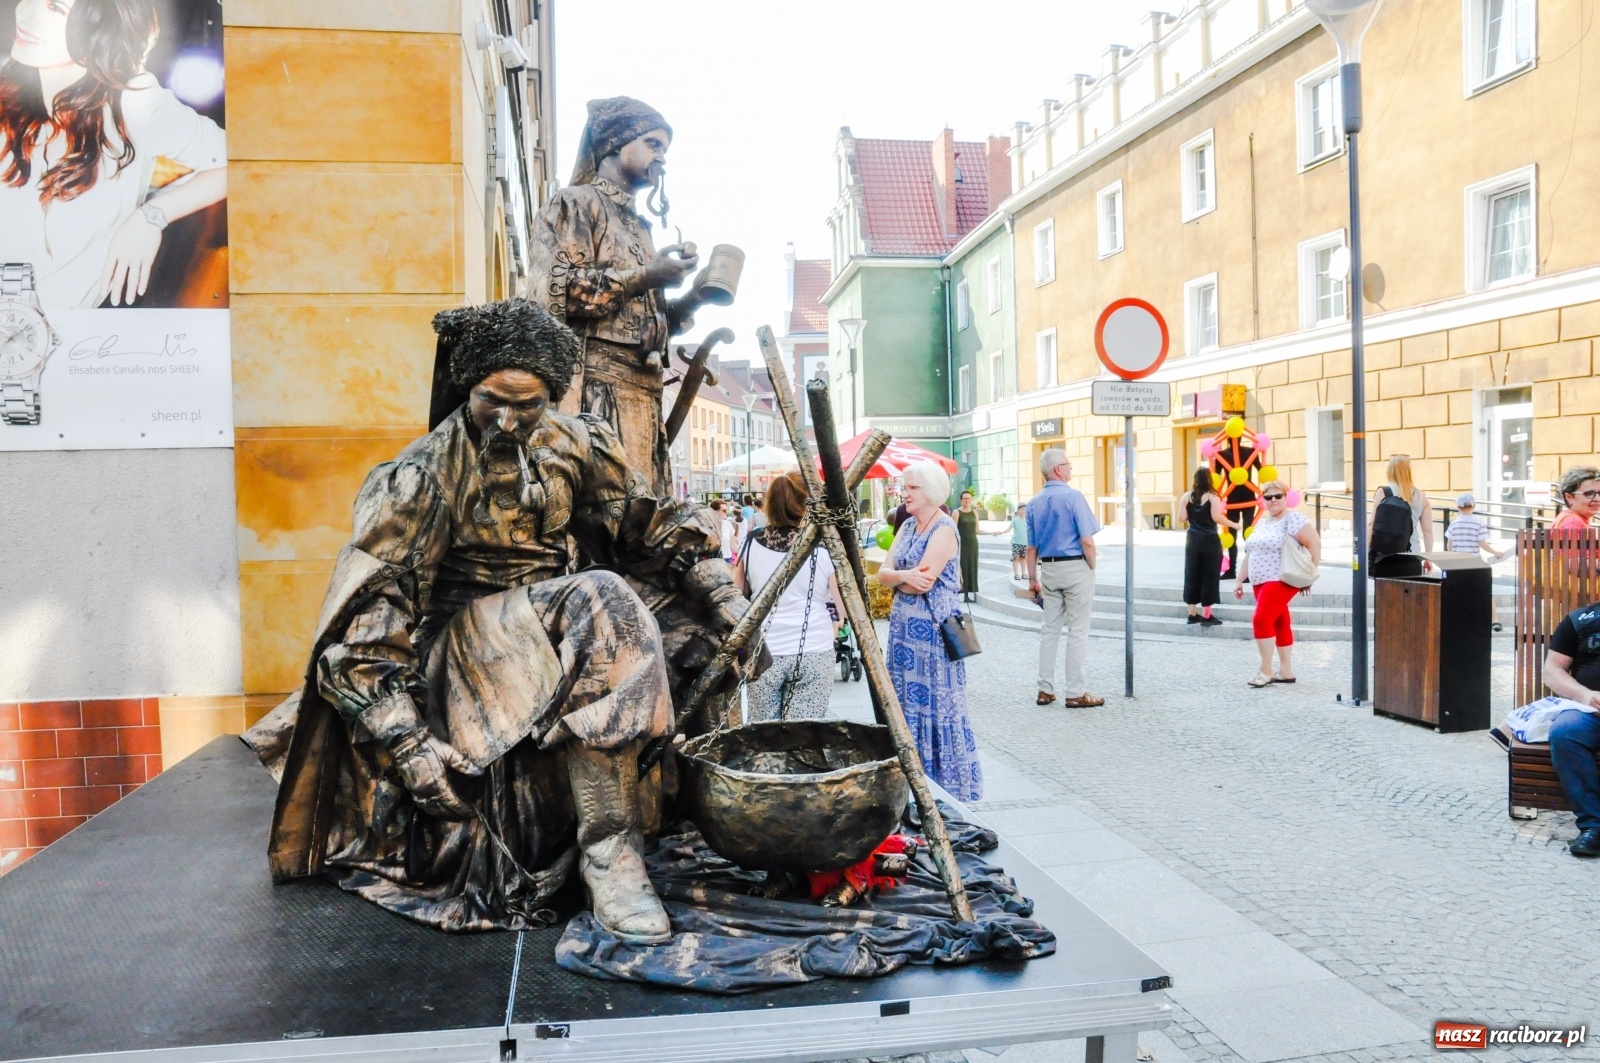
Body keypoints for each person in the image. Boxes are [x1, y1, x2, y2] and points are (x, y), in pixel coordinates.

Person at [240, 298, 749, 942]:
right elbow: (370, 612)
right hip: (464, 641)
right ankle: (608, 851)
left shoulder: (579, 442)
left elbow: (644, 525)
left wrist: (723, 595)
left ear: (553, 399)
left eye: (528, 404)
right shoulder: (422, 475)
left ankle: (679, 813)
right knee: (603, 599)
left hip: (552, 614)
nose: (508, 420)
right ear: (467, 386)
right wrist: (407, 742)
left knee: (695, 634)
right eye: (491, 400)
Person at [529, 96, 718, 494]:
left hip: (644, 392)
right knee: (605, 508)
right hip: (595, 391)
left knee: (643, 516)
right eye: (653, 144)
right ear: (616, 144)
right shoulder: (575, 203)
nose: (662, 157)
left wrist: (695, 298)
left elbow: (644, 319)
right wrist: (647, 275)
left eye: (665, 148)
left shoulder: (641, 225)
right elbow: (557, 293)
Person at [1, 0, 228, 309]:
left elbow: (236, 164)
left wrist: (151, 217)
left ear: (99, 25)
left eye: (55, 8)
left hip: (67, 338)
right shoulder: (7, 90)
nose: (26, 14)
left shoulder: (134, 103)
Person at [876, 460, 982, 801]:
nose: (904, 493)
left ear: (932, 491)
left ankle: (945, 788)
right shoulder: (907, 527)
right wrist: (904, 576)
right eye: (904, 487)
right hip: (904, 635)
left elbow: (924, 584)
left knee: (937, 707)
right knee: (905, 706)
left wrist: (902, 578)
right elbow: (884, 574)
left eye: (911, 488)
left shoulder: (944, 530)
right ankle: (910, 782)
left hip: (933, 638)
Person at [734, 472, 843, 723]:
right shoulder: (825, 544)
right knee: (803, 734)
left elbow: (736, 594)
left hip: (764, 651)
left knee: (764, 735)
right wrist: (837, 624)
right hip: (814, 648)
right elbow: (842, 602)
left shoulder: (752, 542)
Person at [1027, 449, 1103, 708]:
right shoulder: (1073, 497)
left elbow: (1030, 549)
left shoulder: (1034, 502)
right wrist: (1091, 567)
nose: (1071, 469)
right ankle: (1075, 692)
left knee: (1049, 631)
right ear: (1058, 469)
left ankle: (1044, 690)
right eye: (1068, 465)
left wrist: (1032, 580)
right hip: (1074, 567)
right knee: (1078, 631)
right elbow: (1087, 541)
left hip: (1048, 569)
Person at [1235, 480, 1322, 687]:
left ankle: (1265, 671)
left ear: (1286, 497)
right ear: (1263, 500)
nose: (1273, 500)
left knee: (1261, 619)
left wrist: (1309, 574)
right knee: (1279, 621)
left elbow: (1315, 543)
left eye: (1278, 496)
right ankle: (1286, 671)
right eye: (1268, 497)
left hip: (1281, 579)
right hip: (1259, 581)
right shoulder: (1263, 522)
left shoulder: (1293, 519)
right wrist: (1239, 579)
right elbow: (1250, 554)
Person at [1540, 605, 1600, 857]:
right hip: (1592, 711)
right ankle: (1593, 826)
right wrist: (1585, 695)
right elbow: (1552, 669)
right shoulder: (1581, 620)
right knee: (1565, 732)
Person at [1444, 493, 1507, 631]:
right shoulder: (1479, 523)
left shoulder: (1454, 524)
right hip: (1475, 563)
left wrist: (1451, 556)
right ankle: (1495, 620)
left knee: (1460, 592)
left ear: (1458, 507)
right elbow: (1482, 543)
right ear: (1473, 506)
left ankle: (1460, 620)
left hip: (1458, 564)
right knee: (1485, 592)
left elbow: (1450, 545)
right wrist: (1495, 552)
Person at [1181, 465, 1233, 626]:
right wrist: (1233, 524)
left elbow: (1182, 518)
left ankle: (1192, 614)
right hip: (1210, 539)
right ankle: (1207, 616)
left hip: (1192, 540)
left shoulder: (1186, 496)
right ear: (1209, 479)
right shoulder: (1213, 497)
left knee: (1191, 574)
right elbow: (1216, 517)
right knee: (1209, 575)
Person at [1370, 454, 1434, 555]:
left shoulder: (1383, 492)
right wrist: (1429, 556)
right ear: (1409, 472)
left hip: (1386, 553)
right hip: (1413, 552)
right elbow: (1428, 532)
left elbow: (1371, 524)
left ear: (1390, 471)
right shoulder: (1422, 497)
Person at [1551, 466, 1600, 534]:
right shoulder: (1572, 524)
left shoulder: (1574, 519)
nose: (1597, 499)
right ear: (1569, 497)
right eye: (1589, 493)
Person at [956, 490, 980, 603]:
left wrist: (992, 533)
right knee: (963, 567)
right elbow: (952, 530)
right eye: (965, 498)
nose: (967, 500)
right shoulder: (957, 512)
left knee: (972, 567)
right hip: (962, 545)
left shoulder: (974, 513)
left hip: (973, 544)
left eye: (969, 498)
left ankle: (971, 591)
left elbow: (977, 530)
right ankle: (962, 591)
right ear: (961, 500)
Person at [1010, 503, 1028, 580]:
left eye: (1025, 509)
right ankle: (1016, 574)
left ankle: (1024, 574)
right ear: (1018, 510)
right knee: (1016, 558)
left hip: (1025, 543)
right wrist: (1000, 532)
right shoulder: (1015, 520)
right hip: (1016, 543)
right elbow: (1009, 529)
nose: (1024, 511)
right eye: (1022, 509)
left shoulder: (1028, 520)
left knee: (1024, 559)